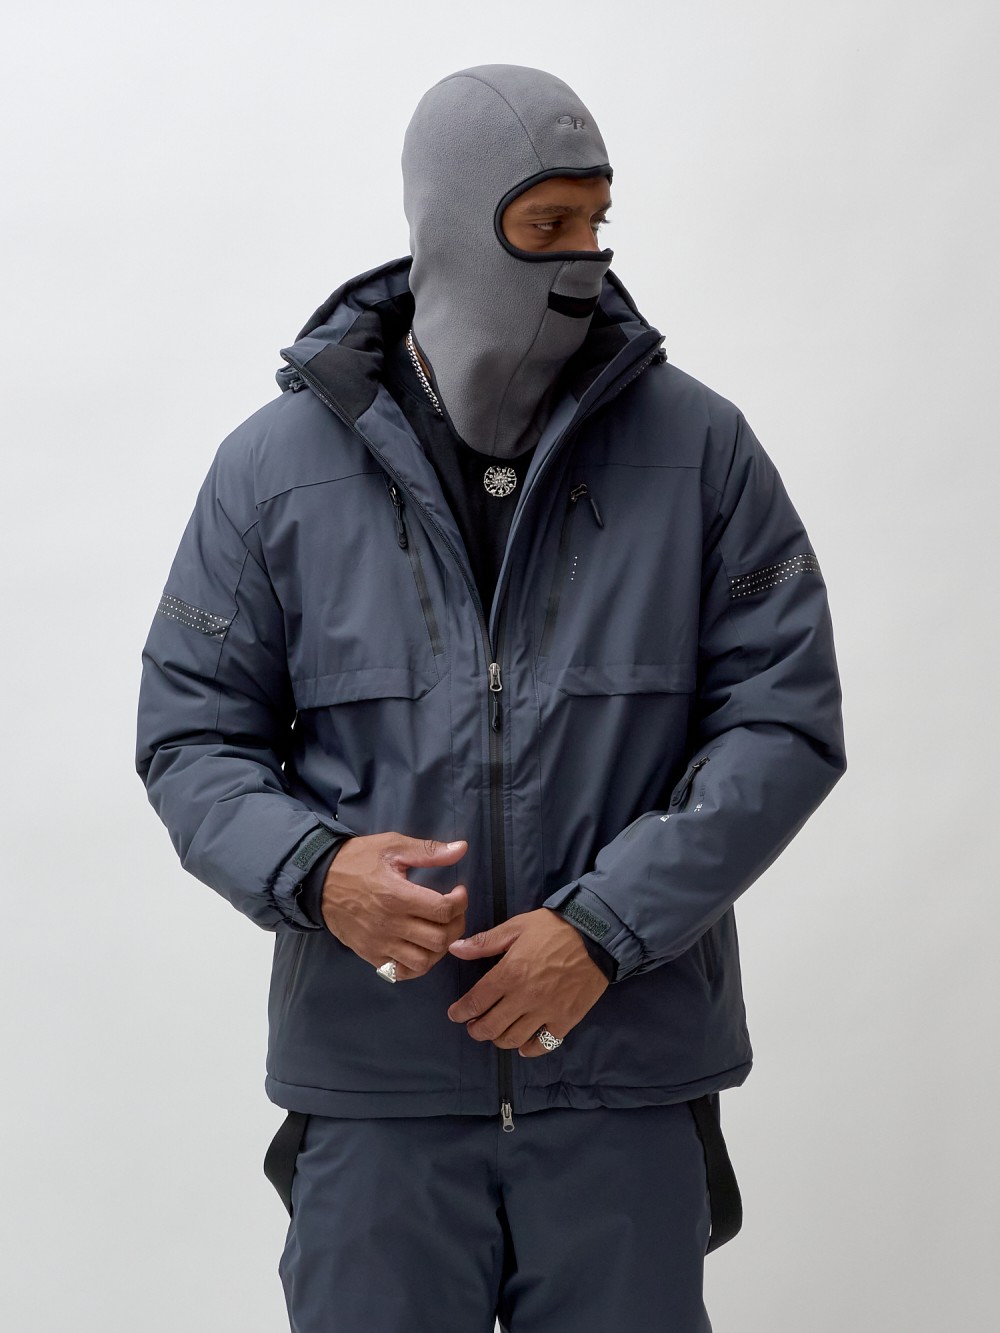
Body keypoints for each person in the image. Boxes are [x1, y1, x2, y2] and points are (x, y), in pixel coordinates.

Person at [136, 63, 845, 1333]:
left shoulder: (700, 450)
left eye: (597, 221)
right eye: (545, 224)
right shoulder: (272, 470)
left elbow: (783, 720)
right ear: (454, 224)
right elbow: (192, 734)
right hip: (377, 1097)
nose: (582, 259)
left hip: (620, 1085)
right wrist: (317, 871)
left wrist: (603, 931)